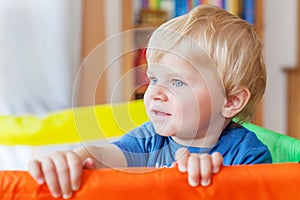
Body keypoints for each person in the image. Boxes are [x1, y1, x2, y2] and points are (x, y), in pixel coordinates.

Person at [28, 5, 272, 199]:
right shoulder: (148, 140)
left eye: (177, 82)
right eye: (154, 79)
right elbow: (104, 157)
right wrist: (76, 157)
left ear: (231, 101)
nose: (155, 93)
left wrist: (218, 184)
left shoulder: (248, 155)